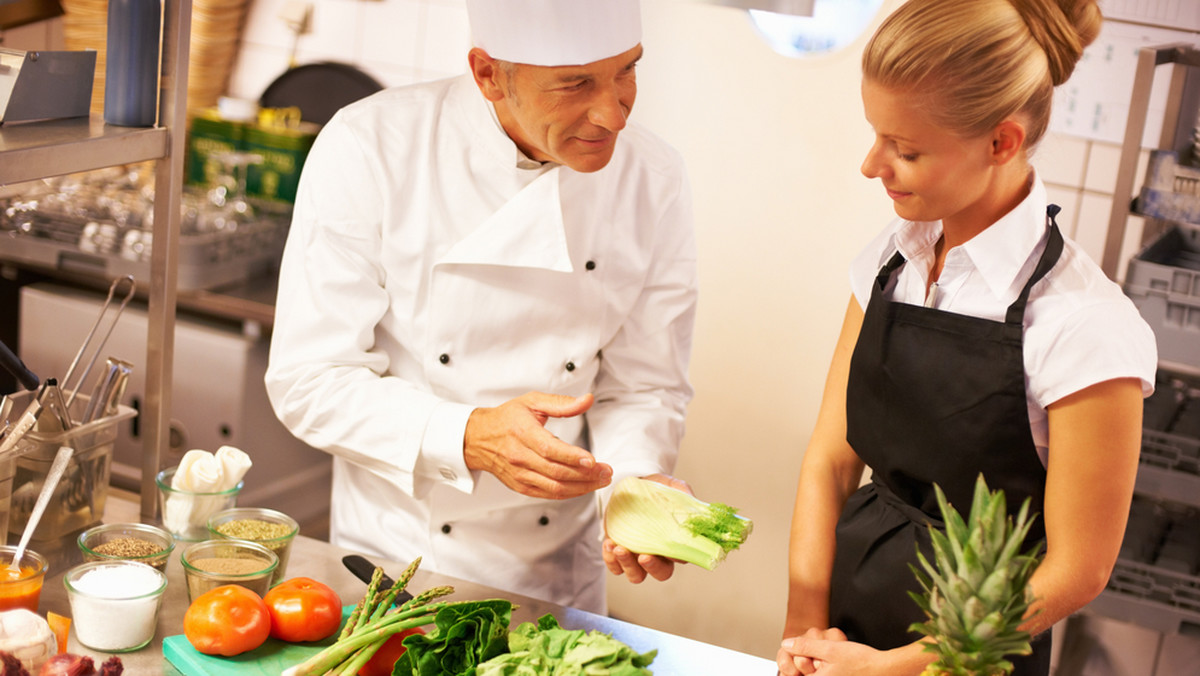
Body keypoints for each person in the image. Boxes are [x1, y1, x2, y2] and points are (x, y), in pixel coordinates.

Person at [264, 0, 697, 614]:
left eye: (627, 70)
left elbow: (646, 385)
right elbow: (309, 380)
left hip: (557, 575)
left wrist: (635, 486)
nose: (614, 113)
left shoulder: (654, 176)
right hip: (401, 562)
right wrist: (466, 434)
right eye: (576, 84)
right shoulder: (371, 147)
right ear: (489, 73)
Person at [776, 1, 1157, 673]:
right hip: (843, 632)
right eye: (876, 134)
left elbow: (1078, 570)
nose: (872, 166)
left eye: (906, 149)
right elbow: (829, 461)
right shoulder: (889, 264)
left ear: (1001, 142)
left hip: (973, 659)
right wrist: (805, 633)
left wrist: (897, 668)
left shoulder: (1085, 325)